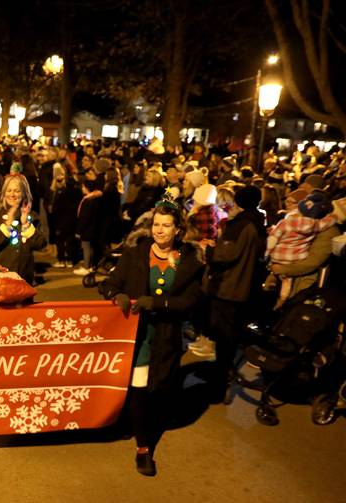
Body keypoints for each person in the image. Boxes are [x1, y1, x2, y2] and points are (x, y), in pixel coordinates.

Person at [100, 199, 205, 477]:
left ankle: (138, 425)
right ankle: (143, 447)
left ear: (178, 230)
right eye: (156, 224)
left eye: (166, 225)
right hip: (135, 338)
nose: (159, 230)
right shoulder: (135, 253)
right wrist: (117, 295)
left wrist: (156, 304)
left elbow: (191, 302)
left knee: (157, 393)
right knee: (137, 391)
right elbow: (108, 284)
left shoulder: (190, 261)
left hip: (166, 339)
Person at [201, 185, 267, 401]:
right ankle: (223, 374)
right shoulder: (257, 222)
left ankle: (220, 383)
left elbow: (225, 254)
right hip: (243, 287)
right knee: (230, 335)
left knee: (224, 336)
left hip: (228, 287)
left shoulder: (240, 225)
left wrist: (210, 249)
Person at [0, 175, 47, 285]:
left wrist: (26, 224)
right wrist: (7, 225)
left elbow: (41, 244)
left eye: (17, 191)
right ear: (4, 193)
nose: (12, 194)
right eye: (9, 190)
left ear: (24, 193)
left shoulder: (32, 216)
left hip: (23, 276)